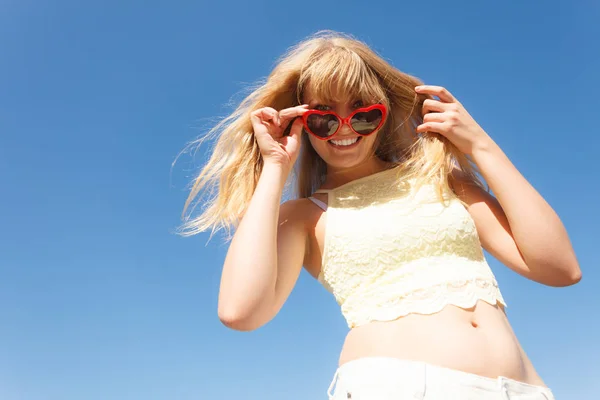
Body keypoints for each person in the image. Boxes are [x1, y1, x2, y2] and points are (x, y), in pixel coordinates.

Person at [180, 31, 581, 399]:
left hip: (524, 390)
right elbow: (239, 311)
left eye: (362, 112)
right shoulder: (305, 215)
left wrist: (481, 146)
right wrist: (273, 168)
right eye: (323, 116)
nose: (345, 127)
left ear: (383, 113)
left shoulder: (440, 177)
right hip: (400, 385)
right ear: (303, 122)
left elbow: (559, 269)